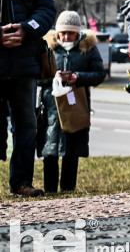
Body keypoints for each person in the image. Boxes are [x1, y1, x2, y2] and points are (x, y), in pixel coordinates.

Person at [0, 0, 56, 197]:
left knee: (26, 126)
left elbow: (46, 11)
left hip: (24, 63)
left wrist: (26, 29)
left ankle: (21, 183)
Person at [39, 11, 106, 192]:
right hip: (51, 106)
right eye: (63, 33)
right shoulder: (48, 47)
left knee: (72, 149)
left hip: (76, 104)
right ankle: (50, 189)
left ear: (78, 33)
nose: (67, 37)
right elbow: (37, 77)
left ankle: (68, 188)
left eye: (71, 33)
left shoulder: (88, 48)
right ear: (57, 32)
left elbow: (99, 74)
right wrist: (54, 78)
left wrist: (79, 77)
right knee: (50, 149)